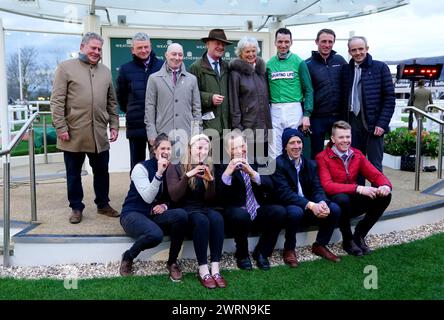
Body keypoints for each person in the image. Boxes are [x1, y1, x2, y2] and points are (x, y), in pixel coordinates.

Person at [50, 32, 120, 224]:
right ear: (82, 47)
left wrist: (114, 125)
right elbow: (56, 102)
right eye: (93, 48)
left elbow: (111, 102)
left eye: (99, 49)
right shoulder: (65, 68)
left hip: (98, 133)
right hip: (72, 133)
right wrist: (61, 127)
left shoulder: (105, 71)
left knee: (102, 172)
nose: (96, 52)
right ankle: (76, 207)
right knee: (73, 174)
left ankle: (103, 204)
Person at [316, 120, 392, 256]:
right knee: (342, 198)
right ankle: (348, 240)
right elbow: (327, 186)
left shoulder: (357, 154)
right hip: (334, 203)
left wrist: (385, 185)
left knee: (385, 196)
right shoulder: (322, 157)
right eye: (341, 137)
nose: (345, 140)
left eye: (348, 137)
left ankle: (360, 234)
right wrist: (359, 188)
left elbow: (375, 174)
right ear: (333, 139)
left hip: (353, 201)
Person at [119, 133, 188, 281]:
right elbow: (148, 197)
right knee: (156, 235)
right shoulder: (141, 168)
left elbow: (174, 197)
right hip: (133, 213)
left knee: (181, 215)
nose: (166, 151)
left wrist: (164, 205)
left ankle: (172, 262)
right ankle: (128, 256)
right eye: (163, 148)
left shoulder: (173, 169)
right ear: (154, 150)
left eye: (169, 148)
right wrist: (158, 173)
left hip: (153, 215)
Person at [218, 130, 286, 271]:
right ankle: (242, 255)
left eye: (241, 146)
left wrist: (252, 173)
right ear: (227, 150)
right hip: (236, 211)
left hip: (257, 207)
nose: (239, 151)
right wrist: (227, 174)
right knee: (240, 215)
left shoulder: (257, 160)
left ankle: (262, 252)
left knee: (279, 212)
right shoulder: (222, 165)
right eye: (234, 148)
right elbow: (220, 196)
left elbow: (270, 185)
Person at [272, 128, 342, 266]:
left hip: (309, 204)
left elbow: (317, 187)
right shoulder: (277, 164)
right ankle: (289, 249)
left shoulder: (310, 164)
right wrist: (312, 205)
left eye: (299, 142)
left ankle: (320, 245)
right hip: (288, 204)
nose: (296, 146)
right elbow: (285, 194)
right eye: (292, 143)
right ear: (285, 146)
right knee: (295, 212)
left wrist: (321, 202)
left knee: (334, 208)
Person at [166, 134, 226, 289]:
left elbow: (210, 199)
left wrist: (211, 182)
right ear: (190, 149)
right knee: (202, 221)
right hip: (186, 209)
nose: (203, 152)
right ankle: (203, 269)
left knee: (217, 218)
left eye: (206, 149)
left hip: (204, 207)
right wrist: (187, 176)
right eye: (199, 148)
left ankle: (215, 268)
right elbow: (174, 196)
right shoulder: (176, 166)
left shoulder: (209, 165)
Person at [342, 36, 395, 173]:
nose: (358, 53)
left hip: (374, 125)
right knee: (354, 164)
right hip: (352, 123)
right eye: (354, 50)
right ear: (349, 51)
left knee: (374, 166)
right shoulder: (346, 70)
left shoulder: (380, 67)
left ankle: (379, 194)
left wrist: (382, 123)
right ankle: (359, 194)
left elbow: (389, 98)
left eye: (361, 49)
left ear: (367, 49)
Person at [145, 43, 202, 158]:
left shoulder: (192, 80)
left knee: (185, 173)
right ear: (166, 55)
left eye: (180, 55)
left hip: (186, 137)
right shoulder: (154, 79)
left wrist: (196, 135)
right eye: (174, 54)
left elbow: (196, 109)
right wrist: (151, 134)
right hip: (162, 136)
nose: (177, 58)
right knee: (162, 172)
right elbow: (149, 108)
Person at [116, 32, 163, 170]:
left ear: (151, 47)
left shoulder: (162, 66)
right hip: (136, 125)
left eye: (146, 47)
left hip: (158, 124)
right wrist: (133, 110)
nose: (143, 50)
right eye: (139, 48)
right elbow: (121, 97)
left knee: (158, 162)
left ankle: (157, 191)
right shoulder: (125, 69)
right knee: (137, 164)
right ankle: (137, 191)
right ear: (133, 50)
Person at [266, 27, 313, 159]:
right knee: (274, 146)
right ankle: (276, 177)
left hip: (294, 108)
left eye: (286, 42)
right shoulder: (269, 64)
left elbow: (309, 89)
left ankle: (295, 177)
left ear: (291, 42)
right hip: (274, 108)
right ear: (275, 42)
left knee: (294, 145)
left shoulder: (299, 62)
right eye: (280, 42)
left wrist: (307, 114)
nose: (283, 45)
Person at [189, 29, 232, 162]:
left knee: (225, 167)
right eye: (217, 43)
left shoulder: (227, 67)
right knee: (210, 166)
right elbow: (190, 96)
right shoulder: (196, 67)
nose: (220, 47)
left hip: (226, 129)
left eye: (223, 44)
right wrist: (209, 98)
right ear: (207, 44)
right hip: (208, 129)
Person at [228, 36, 271, 164]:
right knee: (249, 165)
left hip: (264, 127)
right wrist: (238, 129)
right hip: (248, 128)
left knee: (264, 166)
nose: (251, 54)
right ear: (240, 53)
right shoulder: (235, 74)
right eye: (247, 51)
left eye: (253, 50)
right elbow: (234, 103)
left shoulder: (261, 71)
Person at [305, 29, 347, 159]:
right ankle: (316, 179)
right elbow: (305, 90)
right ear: (317, 42)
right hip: (317, 118)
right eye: (323, 41)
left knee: (340, 151)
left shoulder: (340, 61)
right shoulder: (307, 64)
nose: (327, 45)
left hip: (338, 116)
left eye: (330, 42)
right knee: (317, 154)